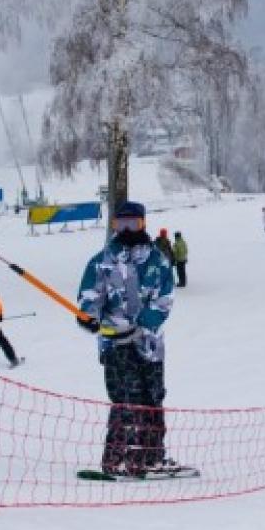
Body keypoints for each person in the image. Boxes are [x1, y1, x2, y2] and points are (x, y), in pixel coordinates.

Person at [76, 201, 176, 477]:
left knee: (153, 398)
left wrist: (143, 326)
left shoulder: (158, 261)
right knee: (125, 399)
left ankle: (152, 457)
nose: (128, 230)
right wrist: (87, 316)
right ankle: (118, 458)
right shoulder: (102, 262)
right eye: (123, 224)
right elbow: (89, 298)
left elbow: (164, 300)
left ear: (143, 224)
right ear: (115, 226)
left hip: (150, 345)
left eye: (134, 224)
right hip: (116, 344)